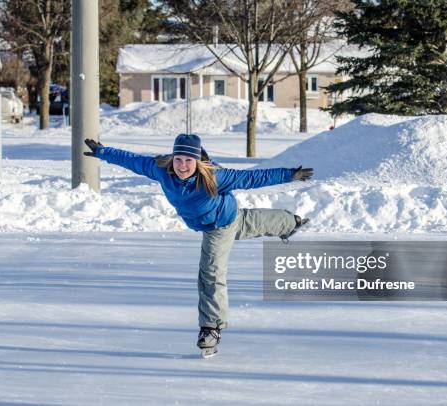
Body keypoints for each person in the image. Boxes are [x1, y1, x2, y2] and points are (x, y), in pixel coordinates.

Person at [84, 134, 313, 351]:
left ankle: (211, 327)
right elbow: (132, 160)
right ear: (173, 159)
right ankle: (290, 222)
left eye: (188, 161)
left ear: (197, 161)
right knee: (249, 223)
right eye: (179, 160)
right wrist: (103, 152)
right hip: (223, 217)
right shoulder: (161, 169)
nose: (183, 166)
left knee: (211, 273)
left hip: (218, 225)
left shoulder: (214, 176)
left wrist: (289, 174)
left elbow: (252, 178)